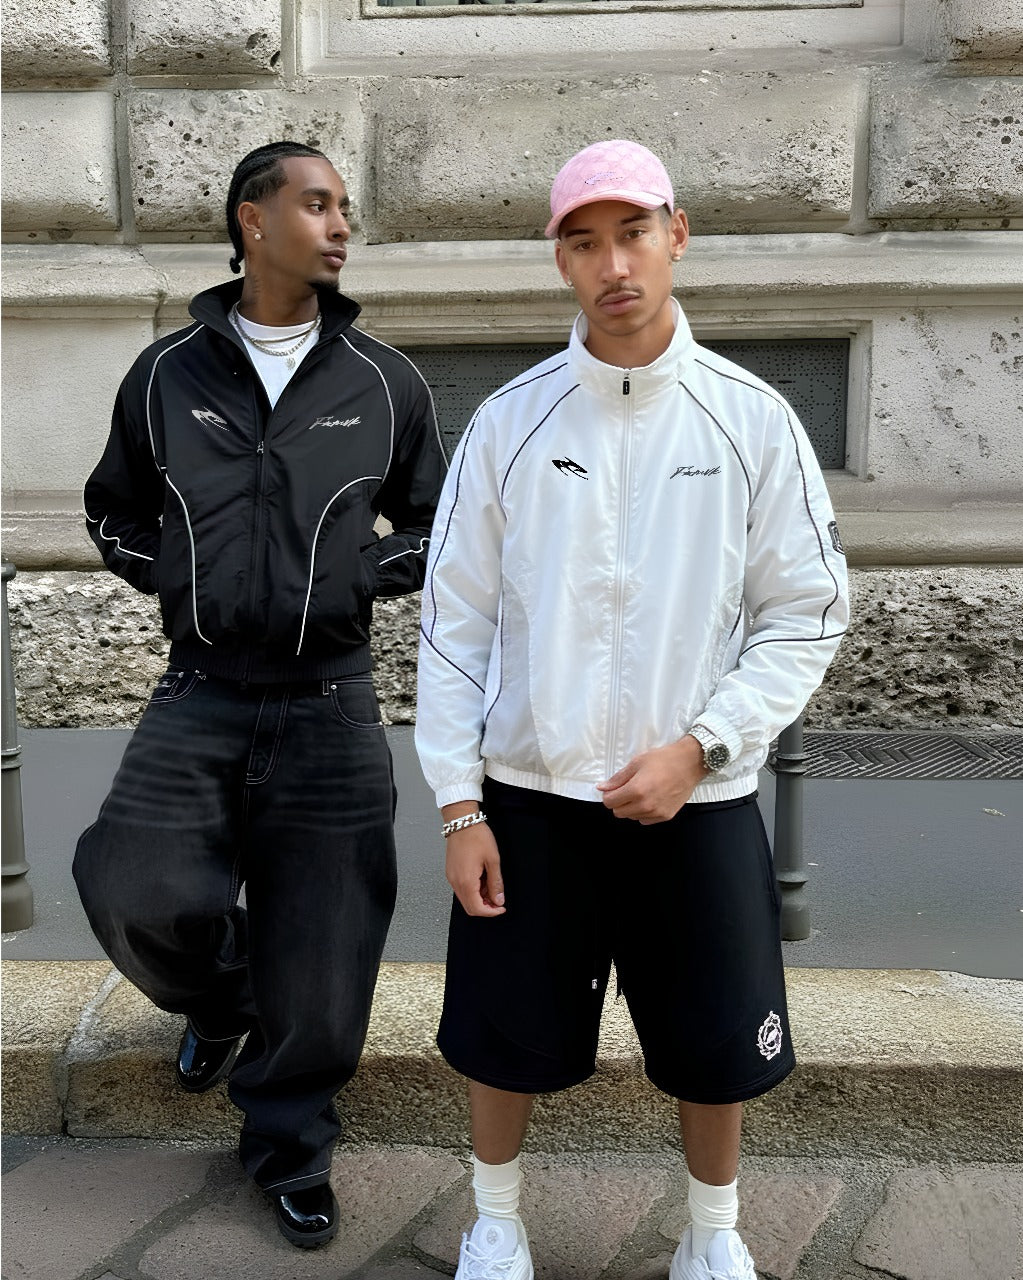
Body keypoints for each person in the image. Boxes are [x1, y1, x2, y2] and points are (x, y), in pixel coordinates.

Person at [415, 139, 849, 1280]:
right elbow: (453, 625)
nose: (613, 264)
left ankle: (713, 1231)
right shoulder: (508, 423)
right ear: (559, 260)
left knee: (716, 1040)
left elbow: (806, 610)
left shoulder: (751, 420)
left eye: (633, 233)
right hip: (530, 797)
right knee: (502, 1034)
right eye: (584, 241)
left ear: (677, 235)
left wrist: (702, 745)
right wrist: (460, 804)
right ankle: (494, 1220)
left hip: (695, 797)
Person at [73, 140, 447, 1249]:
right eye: (318, 204)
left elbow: (442, 524)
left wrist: (354, 578)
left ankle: (288, 1146)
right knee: (129, 884)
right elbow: (110, 508)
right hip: (199, 692)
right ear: (252, 219)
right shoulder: (165, 374)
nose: (340, 227)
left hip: (331, 701)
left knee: (327, 951)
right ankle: (225, 997)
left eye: (344, 209)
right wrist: (176, 574)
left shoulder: (384, 381)